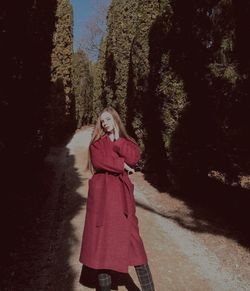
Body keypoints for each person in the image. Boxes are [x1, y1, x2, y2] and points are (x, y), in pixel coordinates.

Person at [79, 106, 155, 291]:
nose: (105, 123)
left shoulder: (124, 141)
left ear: (115, 119)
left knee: (135, 244)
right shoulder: (96, 143)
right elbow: (99, 162)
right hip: (103, 200)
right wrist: (123, 165)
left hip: (122, 201)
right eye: (102, 121)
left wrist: (118, 142)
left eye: (108, 119)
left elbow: (135, 157)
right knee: (103, 247)